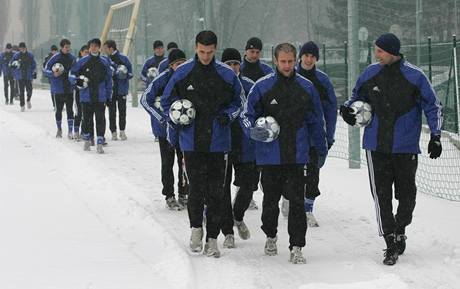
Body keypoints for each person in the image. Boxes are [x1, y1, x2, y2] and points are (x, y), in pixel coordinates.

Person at [340, 33, 443, 266]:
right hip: (375, 147)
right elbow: (355, 98)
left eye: (380, 51)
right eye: (376, 50)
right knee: (382, 197)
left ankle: (400, 228)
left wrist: (435, 136)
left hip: (405, 147)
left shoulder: (415, 76)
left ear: (392, 51)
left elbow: (433, 105)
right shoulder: (370, 74)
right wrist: (346, 110)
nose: (376, 55)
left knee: (407, 196)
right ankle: (389, 243)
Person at [241, 43, 327, 264]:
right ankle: (270, 235)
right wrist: (253, 132)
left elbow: (316, 120)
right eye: (283, 62)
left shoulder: (306, 87)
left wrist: (320, 148)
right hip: (270, 158)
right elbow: (247, 115)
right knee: (270, 202)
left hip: (297, 157)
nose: (287, 65)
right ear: (275, 61)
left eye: (290, 61)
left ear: (295, 60)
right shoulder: (262, 87)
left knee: (297, 203)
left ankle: (297, 246)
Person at [161, 30, 243, 258]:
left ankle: (212, 239)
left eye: (209, 52)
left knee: (217, 193)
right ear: (195, 47)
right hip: (192, 142)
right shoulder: (183, 73)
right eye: (201, 51)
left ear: (215, 49)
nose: (205, 56)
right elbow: (167, 101)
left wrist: (228, 115)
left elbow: (239, 102)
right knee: (196, 189)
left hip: (219, 143)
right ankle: (196, 228)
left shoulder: (227, 75)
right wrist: (177, 116)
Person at [294, 41, 337, 227]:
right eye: (306, 55)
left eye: (313, 56)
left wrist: (330, 135)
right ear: (300, 57)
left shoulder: (322, 81)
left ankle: (308, 209)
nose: (309, 59)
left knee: (313, 173)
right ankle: (290, 201)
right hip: (293, 135)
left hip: (314, 136)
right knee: (292, 173)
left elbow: (331, 110)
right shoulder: (290, 76)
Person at [141, 48, 189, 210]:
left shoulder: (189, 77)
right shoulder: (162, 79)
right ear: (171, 65)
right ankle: (169, 194)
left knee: (185, 161)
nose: (180, 66)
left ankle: (184, 193)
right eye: (177, 64)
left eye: (183, 63)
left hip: (185, 129)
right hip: (166, 130)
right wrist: (161, 118)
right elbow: (145, 99)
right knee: (167, 163)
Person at [219, 48, 256, 249]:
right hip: (222, 143)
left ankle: (238, 215)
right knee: (222, 189)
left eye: (236, 63)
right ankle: (228, 232)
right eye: (228, 64)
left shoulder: (250, 86)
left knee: (249, 184)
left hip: (245, 144)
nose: (233, 67)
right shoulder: (217, 84)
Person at [69, 38, 112, 154]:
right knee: (87, 120)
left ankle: (99, 142)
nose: (94, 48)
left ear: (99, 48)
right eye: (91, 46)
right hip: (86, 96)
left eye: (96, 46)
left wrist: (109, 96)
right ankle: (87, 139)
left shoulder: (104, 61)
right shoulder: (82, 61)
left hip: (100, 97)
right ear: (89, 48)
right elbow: (71, 74)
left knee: (100, 119)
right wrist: (77, 80)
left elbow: (109, 80)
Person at [43, 39, 76, 139]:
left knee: (70, 110)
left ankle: (70, 131)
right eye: (66, 47)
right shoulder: (55, 57)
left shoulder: (72, 58)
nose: (68, 49)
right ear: (61, 47)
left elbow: (76, 70)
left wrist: (74, 78)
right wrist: (53, 74)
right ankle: (59, 129)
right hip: (58, 89)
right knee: (58, 110)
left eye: (69, 47)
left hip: (69, 88)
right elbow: (45, 70)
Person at [103, 39, 133, 141]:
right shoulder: (105, 60)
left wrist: (124, 75)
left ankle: (122, 131)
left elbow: (130, 73)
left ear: (111, 48)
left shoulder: (124, 58)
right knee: (112, 111)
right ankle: (113, 132)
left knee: (122, 111)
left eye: (106, 48)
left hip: (121, 89)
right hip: (111, 90)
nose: (104, 50)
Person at [11, 42, 37, 111]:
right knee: (21, 92)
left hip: (28, 76)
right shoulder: (16, 55)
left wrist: (34, 71)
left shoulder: (30, 55)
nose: (22, 49)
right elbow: (11, 64)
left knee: (30, 91)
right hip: (20, 76)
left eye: (23, 48)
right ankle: (22, 105)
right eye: (20, 48)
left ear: (26, 48)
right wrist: (14, 67)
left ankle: (28, 100)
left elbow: (34, 64)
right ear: (19, 48)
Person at [73, 45, 89, 141]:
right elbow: (72, 75)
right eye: (85, 52)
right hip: (79, 90)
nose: (87, 54)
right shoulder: (77, 62)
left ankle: (84, 131)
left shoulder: (90, 62)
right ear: (81, 52)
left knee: (85, 112)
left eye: (88, 52)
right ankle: (76, 131)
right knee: (78, 111)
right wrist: (77, 82)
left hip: (88, 91)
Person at [43, 44, 58, 109]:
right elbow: (45, 67)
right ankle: (55, 104)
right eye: (53, 51)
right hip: (51, 76)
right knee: (53, 90)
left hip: (59, 76)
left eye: (55, 51)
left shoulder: (59, 56)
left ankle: (58, 104)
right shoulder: (48, 58)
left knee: (58, 91)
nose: (54, 52)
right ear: (51, 51)